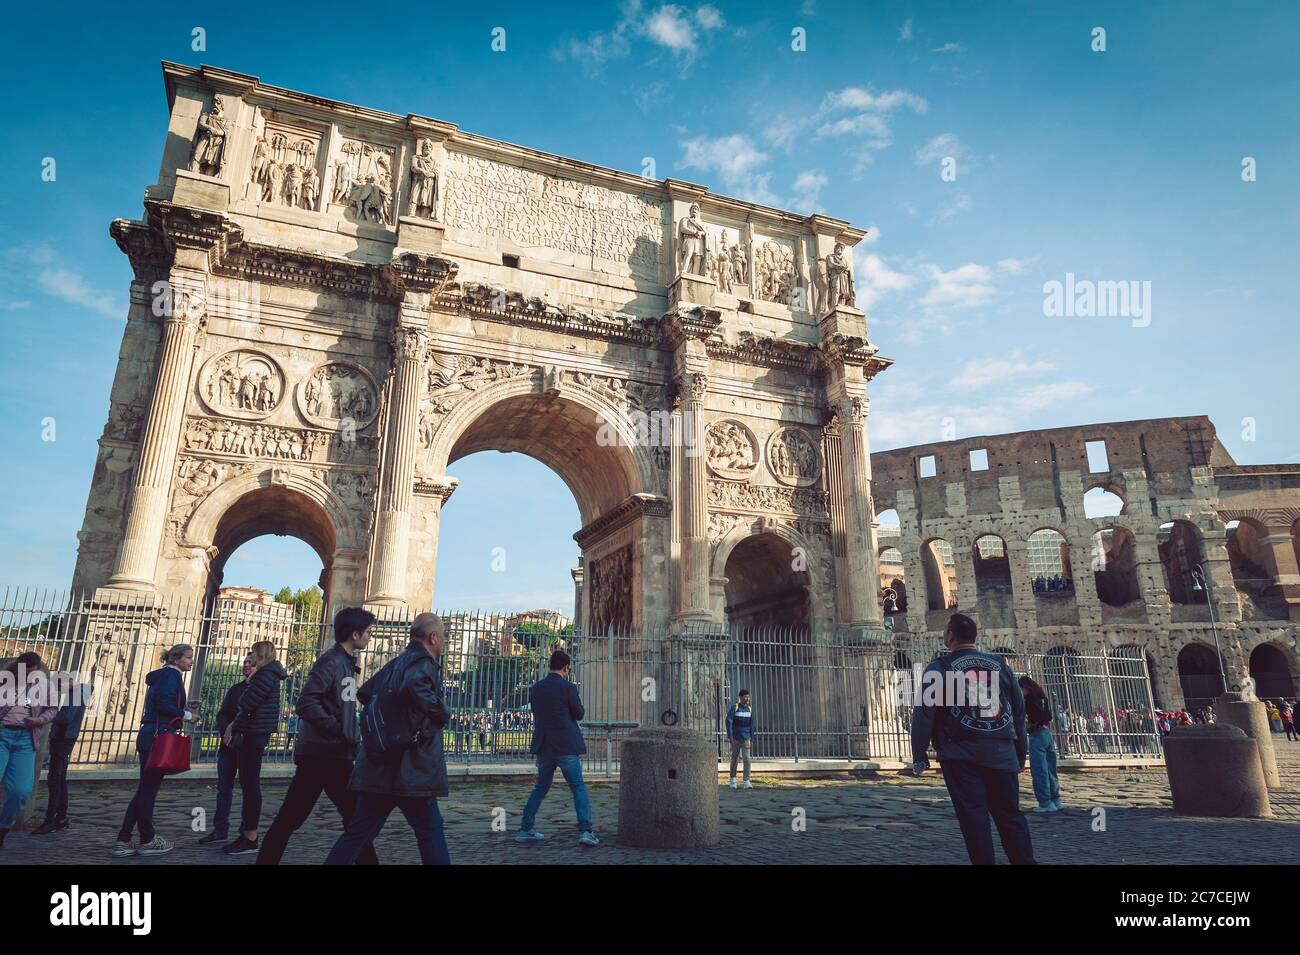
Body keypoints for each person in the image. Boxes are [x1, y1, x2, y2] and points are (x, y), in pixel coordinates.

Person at [325, 613, 452, 865]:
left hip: (379, 768)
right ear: (433, 637)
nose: (446, 642)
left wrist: (387, 724)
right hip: (411, 770)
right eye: (444, 636)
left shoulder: (397, 662)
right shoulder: (423, 663)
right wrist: (441, 712)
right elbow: (416, 686)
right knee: (430, 831)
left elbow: (364, 693)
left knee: (357, 834)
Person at [256, 608, 379, 865]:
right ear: (354, 633)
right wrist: (338, 728)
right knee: (299, 818)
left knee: (347, 818)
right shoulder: (332, 661)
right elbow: (306, 702)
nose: (370, 637)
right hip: (324, 754)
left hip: (333, 753)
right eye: (368, 632)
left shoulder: (345, 662)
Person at [910, 613, 1035, 865]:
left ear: (950, 636)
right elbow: (1019, 712)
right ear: (974, 637)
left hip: (960, 754)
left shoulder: (940, 667)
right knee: (1011, 816)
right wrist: (1021, 752)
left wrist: (919, 753)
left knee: (974, 819)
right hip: (1001, 751)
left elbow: (924, 714)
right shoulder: (1000, 665)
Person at [114, 644, 200, 857]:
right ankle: (145, 839)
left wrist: (185, 705)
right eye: (188, 657)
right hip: (158, 736)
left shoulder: (163, 676)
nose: (191, 661)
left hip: (151, 734)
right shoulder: (172, 677)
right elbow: (162, 704)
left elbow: (162, 701)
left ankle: (125, 839)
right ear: (176, 658)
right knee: (147, 791)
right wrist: (188, 716)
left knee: (145, 789)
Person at [515, 650, 599, 847]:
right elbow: (579, 714)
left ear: (549, 666)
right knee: (577, 786)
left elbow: (537, 712)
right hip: (566, 744)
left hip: (545, 744)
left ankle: (526, 828)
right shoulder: (568, 687)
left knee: (541, 787)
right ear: (566, 667)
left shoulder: (537, 688)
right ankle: (586, 830)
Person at [222, 641, 287, 855]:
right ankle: (248, 834)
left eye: (253, 653)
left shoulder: (265, 675)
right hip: (256, 733)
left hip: (253, 735)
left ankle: (250, 836)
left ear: (261, 654)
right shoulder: (269, 674)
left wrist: (234, 725)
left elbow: (247, 703)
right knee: (249, 785)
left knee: (250, 786)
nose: (250, 657)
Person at [0, 653, 58, 848]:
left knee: (21, 791)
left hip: (26, 739)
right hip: (2, 735)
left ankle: (3, 826)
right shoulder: (5, 681)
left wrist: (39, 720)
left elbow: (52, 708)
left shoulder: (44, 685)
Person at [200, 654, 253, 846]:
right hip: (228, 746)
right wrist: (226, 732)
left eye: (250, 663)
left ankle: (245, 832)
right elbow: (222, 713)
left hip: (247, 747)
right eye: (245, 662)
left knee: (249, 791)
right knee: (224, 790)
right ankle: (220, 829)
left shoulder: (261, 690)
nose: (246, 665)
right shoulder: (235, 689)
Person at [34, 673, 91, 836]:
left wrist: (46, 715)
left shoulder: (76, 694)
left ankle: (50, 819)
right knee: (59, 778)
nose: (59, 691)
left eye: (59, 687)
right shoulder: (77, 693)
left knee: (55, 778)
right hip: (64, 737)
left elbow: (66, 717)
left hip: (63, 738)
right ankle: (60, 817)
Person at [1018, 676, 1061, 813]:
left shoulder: (1030, 700)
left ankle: (1045, 803)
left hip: (1037, 735)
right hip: (1048, 734)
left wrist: (1028, 724)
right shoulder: (1043, 697)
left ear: (1026, 688)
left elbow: (1033, 718)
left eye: (1021, 689)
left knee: (1039, 770)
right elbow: (1048, 717)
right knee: (1051, 770)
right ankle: (1056, 800)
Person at [725, 689, 755, 790]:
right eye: (745, 697)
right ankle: (733, 779)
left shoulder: (749, 709)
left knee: (747, 760)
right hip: (736, 738)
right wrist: (730, 736)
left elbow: (751, 725)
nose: (747, 699)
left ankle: (746, 780)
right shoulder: (735, 708)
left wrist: (751, 738)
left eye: (748, 696)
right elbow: (728, 721)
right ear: (741, 697)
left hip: (746, 738)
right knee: (735, 759)